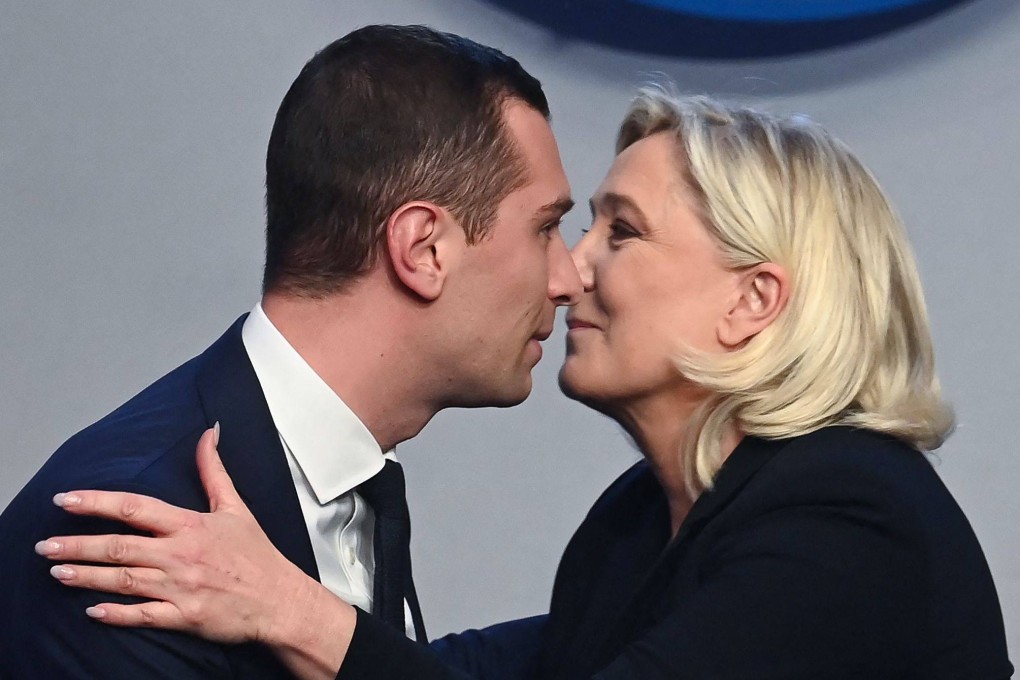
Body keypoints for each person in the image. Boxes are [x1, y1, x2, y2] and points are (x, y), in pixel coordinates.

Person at [36, 93, 1014, 679]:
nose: (572, 268)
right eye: (576, 226)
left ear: (752, 301)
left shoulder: (849, 516)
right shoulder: (642, 518)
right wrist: (270, 589)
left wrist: (288, 609)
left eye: (619, 231)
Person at [0, 24, 582, 679]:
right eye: (545, 229)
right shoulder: (130, 545)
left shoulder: (349, 476)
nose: (568, 279)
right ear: (423, 249)